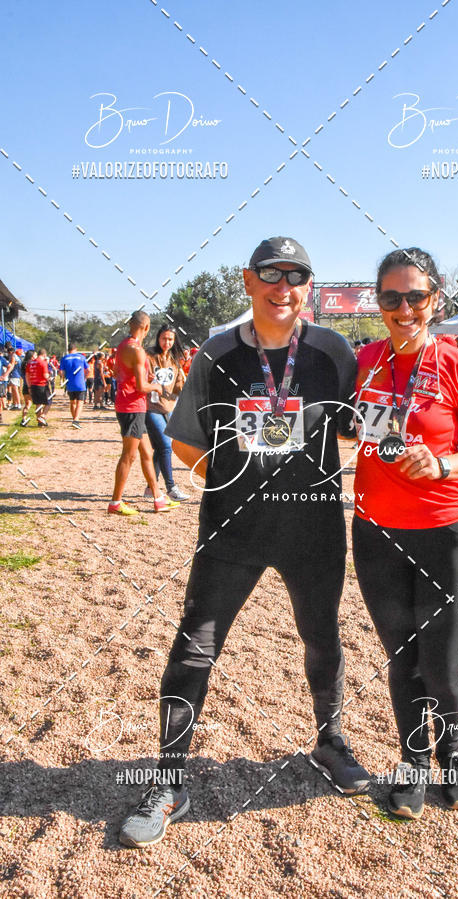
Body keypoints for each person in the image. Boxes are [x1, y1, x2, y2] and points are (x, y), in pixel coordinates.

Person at [119, 236, 369, 848]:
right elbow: (184, 441)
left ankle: (330, 742)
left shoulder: (335, 351)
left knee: (321, 635)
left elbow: (362, 425)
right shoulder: (218, 351)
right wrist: (233, 480)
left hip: (312, 528)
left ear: (308, 286)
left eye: (296, 276)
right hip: (232, 530)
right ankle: (169, 779)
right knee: (194, 646)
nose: (283, 287)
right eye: (270, 274)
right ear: (248, 280)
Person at [351, 247, 458, 820]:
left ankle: (453, 748)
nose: (405, 308)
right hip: (377, 535)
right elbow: (343, 425)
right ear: (379, 303)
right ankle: (414, 759)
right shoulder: (365, 360)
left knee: (441, 662)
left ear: (435, 299)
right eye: (392, 297)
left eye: (416, 296)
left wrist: (442, 464)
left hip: (447, 534)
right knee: (402, 657)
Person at [108, 311, 180, 516]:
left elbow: (116, 372)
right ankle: (115, 502)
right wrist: (156, 387)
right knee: (129, 456)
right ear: (147, 328)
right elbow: (141, 386)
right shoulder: (138, 351)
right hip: (132, 407)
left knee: (147, 452)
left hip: (130, 405)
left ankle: (158, 498)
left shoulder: (123, 345)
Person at [144, 324, 190, 501]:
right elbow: (140, 377)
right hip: (150, 407)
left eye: (170, 339)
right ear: (158, 338)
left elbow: (178, 387)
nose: (167, 342)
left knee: (160, 448)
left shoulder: (174, 360)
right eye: (164, 338)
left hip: (168, 408)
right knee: (165, 446)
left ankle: (151, 488)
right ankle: (171, 488)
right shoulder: (149, 356)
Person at [60, 343, 90, 428]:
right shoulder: (81, 357)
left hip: (70, 383)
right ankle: (76, 420)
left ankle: (74, 419)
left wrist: (64, 379)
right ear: (76, 349)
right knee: (80, 402)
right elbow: (88, 369)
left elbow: (61, 372)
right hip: (80, 383)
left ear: (68, 350)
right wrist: (85, 378)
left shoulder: (64, 358)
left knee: (72, 402)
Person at [25, 347, 51, 427]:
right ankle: (42, 416)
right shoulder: (43, 362)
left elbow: (27, 375)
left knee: (38, 403)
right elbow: (45, 375)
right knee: (49, 402)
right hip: (42, 385)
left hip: (33, 385)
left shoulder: (30, 363)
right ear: (44, 355)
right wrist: (50, 378)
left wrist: (29, 386)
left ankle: (40, 422)